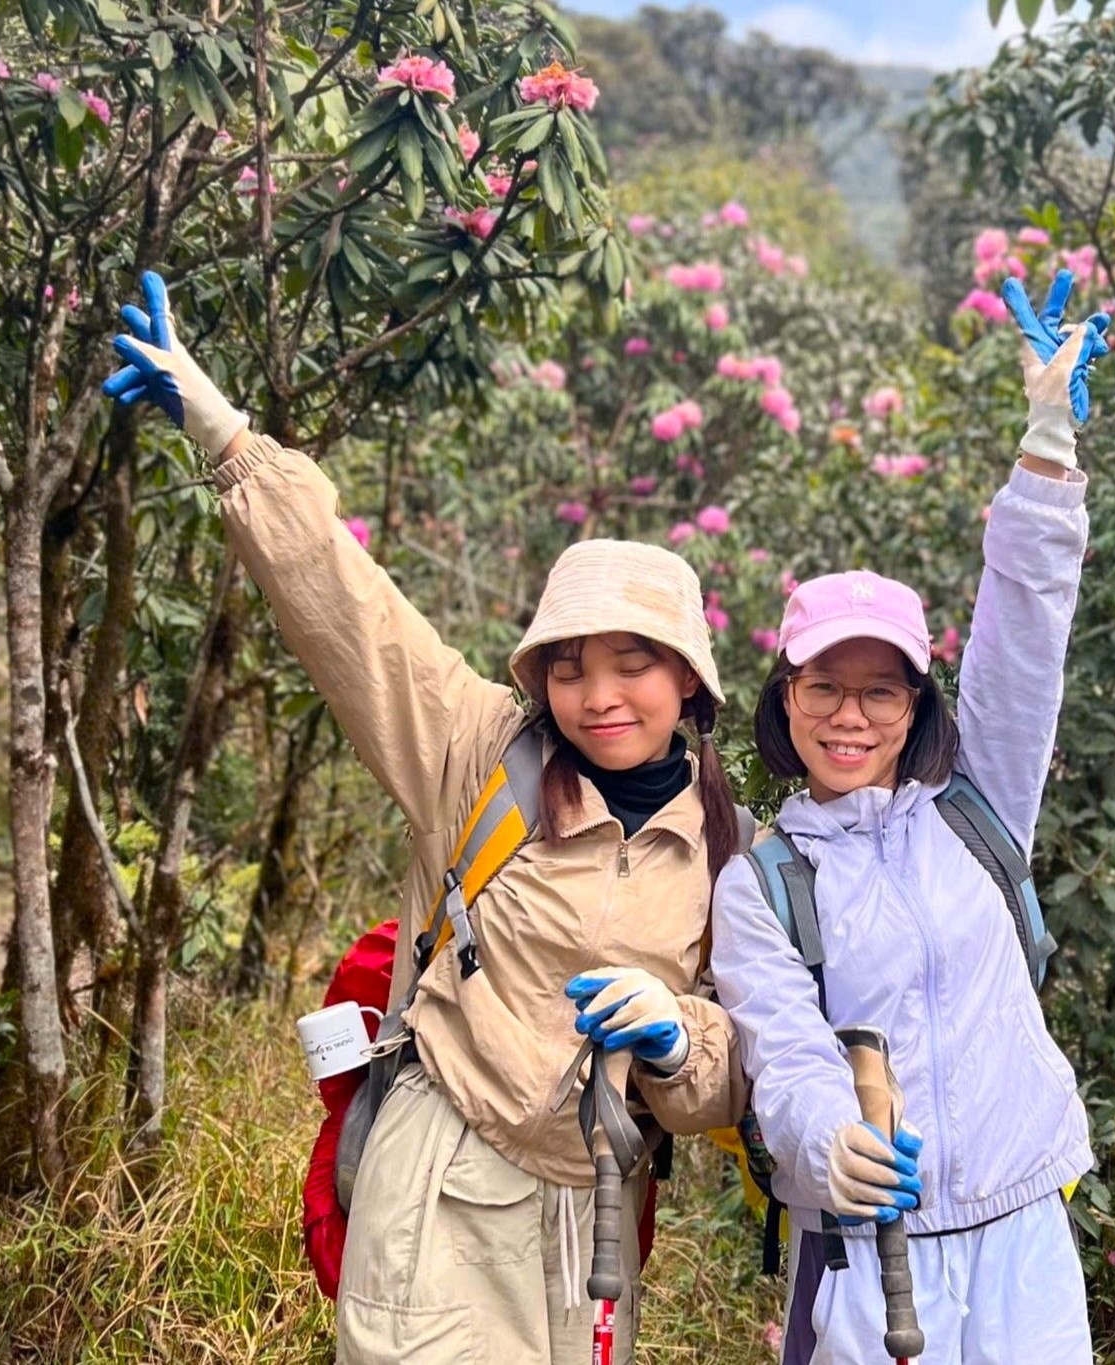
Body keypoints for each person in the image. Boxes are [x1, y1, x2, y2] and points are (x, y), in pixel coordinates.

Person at [105, 271, 747, 1365]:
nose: (598, 696)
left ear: (687, 677)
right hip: (442, 1180)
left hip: (591, 1220)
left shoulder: (733, 852)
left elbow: (727, 1088)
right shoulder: (478, 752)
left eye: (633, 664)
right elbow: (348, 607)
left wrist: (678, 1034)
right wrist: (224, 434)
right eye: (569, 668)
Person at [708, 272, 1109, 1364]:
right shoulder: (763, 882)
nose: (850, 716)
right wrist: (828, 1142)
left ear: (917, 704)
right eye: (823, 688)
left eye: (880, 691)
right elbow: (786, 1055)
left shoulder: (977, 809)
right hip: (867, 1252)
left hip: (1022, 1229)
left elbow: (1024, 637)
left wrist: (1046, 446)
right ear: (785, 700)